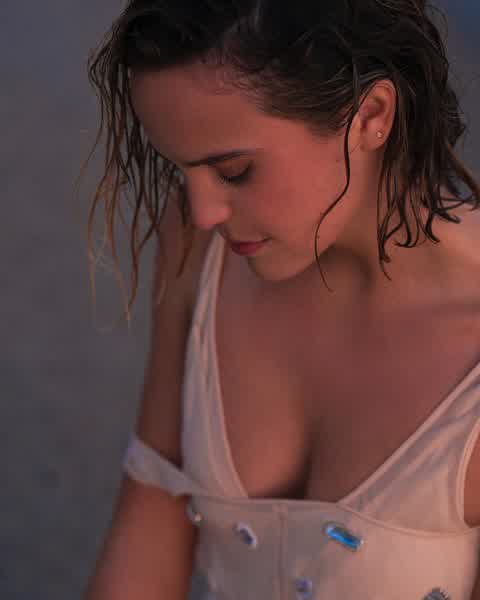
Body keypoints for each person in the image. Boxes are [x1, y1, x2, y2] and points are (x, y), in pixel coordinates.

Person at [83, 1, 480, 599]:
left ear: (371, 116)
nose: (202, 211)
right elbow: (153, 508)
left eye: (235, 170)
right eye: (181, 170)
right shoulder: (200, 248)